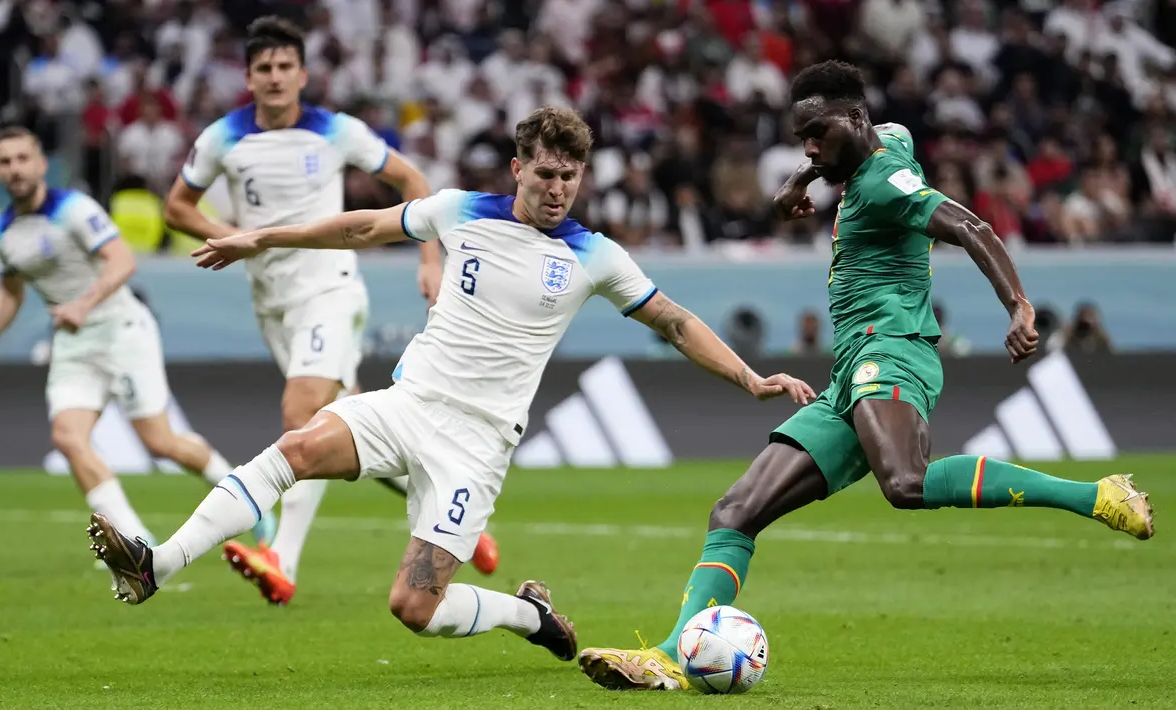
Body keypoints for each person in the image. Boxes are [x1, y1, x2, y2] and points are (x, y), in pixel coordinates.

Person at [86, 106, 815, 661]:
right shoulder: (461, 210)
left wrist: (750, 378)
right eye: (545, 173)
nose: (557, 188)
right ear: (517, 168)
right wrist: (262, 236)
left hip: (477, 443)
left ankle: (530, 614)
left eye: (570, 176)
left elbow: (676, 322)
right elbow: (365, 226)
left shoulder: (595, 255)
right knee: (296, 447)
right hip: (408, 404)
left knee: (413, 607)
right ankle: (157, 565)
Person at [577, 61, 1156, 691]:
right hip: (851, 371)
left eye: (816, 135)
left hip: (895, 351)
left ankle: (1098, 495)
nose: (808, 147)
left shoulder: (886, 183)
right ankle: (670, 656)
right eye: (802, 136)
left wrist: (1017, 305)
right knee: (734, 512)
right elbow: (888, 129)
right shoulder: (885, 141)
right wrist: (802, 177)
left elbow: (970, 226)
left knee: (904, 482)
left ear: (852, 120)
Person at [161, 16, 498, 606]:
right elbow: (177, 207)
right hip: (272, 301)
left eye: (285, 66)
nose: (274, 77)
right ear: (248, 76)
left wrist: (429, 260)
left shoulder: (336, 131)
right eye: (263, 68)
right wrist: (237, 236)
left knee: (302, 409)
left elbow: (411, 179)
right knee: (349, 426)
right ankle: (452, 504)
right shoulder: (224, 137)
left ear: (302, 74)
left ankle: (281, 559)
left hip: (331, 289)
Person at [0, 126, 261, 551]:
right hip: (73, 343)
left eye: (22, 158)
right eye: (5, 162)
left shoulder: (73, 209)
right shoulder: (3, 232)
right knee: (68, 437)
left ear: (40, 164)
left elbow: (122, 262)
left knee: (161, 442)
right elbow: (11, 291)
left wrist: (84, 304)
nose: (14, 169)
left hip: (121, 329)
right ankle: (136, 539)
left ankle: (247, 497)